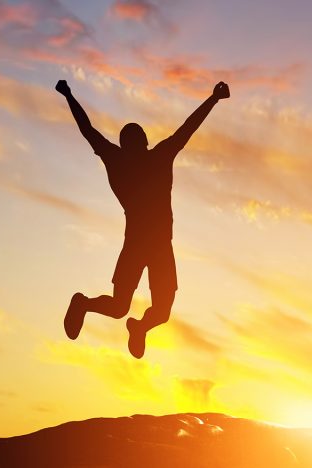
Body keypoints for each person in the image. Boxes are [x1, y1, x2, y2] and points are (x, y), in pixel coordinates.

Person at [56, 79, 230, 358]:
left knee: (158, 312)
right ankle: (84, 305)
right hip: (140, 244)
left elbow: (187, 129)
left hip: (158, 246)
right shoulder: (139, 158)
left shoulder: (139, 158)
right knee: (121, 307)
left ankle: (138, 328)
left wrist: (213, 100)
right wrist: (69, 96)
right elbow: (88, 131)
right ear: (135, 145)